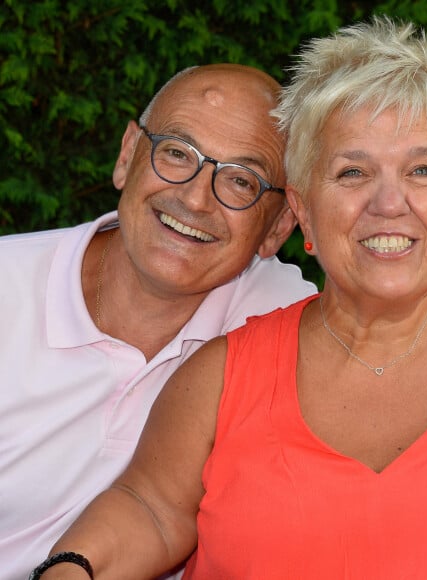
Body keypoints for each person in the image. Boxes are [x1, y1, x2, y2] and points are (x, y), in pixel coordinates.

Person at [29, 17, 427, 580]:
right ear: (301, 208)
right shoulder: (219, 375)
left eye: (422, 170)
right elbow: (151, 507)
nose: (390, 202)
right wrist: (72, 568)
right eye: (352, 172)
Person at [1, 63, 317, 580]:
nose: (195, 198)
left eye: (240, 181)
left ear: (278, 225)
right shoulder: (6, 290)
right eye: (177, 153)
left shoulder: (282, 319)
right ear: (128, 156)